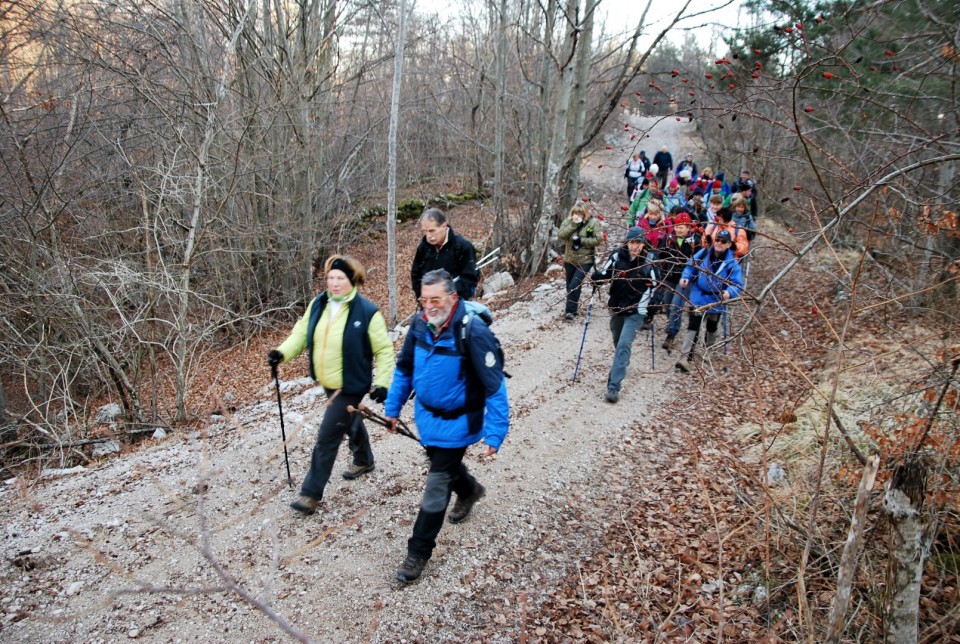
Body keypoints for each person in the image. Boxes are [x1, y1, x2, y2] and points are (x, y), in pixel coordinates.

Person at [384, 269, 509, 584]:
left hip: (460, 423)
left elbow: (495, 388)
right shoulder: (418, 325)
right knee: (443, 466)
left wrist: (496, 432)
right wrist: (393, 407)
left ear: (453, 298)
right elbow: (404, 369)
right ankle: (470, 490)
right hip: (427, 419)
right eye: (424, 300)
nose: (429, 306)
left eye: (436, 299)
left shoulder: (474, 333)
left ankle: (418, 553)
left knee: (437, 482)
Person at [268, 255, 395, 515]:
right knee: (348, 420)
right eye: (331, 278)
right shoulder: (319, 303)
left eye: (341, 278)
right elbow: (302, 333)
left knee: (327, 437)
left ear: (352, 280)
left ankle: (310, 494)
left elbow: (383, 350)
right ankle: (364, 460)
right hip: (328, 380)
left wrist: (383, 382)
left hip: (351, 384)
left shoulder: (367, 312)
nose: (334, 283)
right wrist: (281, 353)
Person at [591, 227, 659, 404]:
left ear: (644, 244)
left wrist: (651, 306)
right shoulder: (617, 256)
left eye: (638, 242)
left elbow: (656, 286)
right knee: (617, 339)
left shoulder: (649, 262)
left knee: (623, 344)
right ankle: (622, 362)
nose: (634, 246)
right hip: (616, 306)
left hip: (636, 311)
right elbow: (606, 273)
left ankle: (613, 386)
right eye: (632, 242)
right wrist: (597, 278)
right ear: (627, 243)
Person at [675, 229, 744, 372]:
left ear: (728, 244)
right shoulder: (705, 253)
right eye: (717, 240)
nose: (719, 243)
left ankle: (708, 349)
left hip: (716, 298)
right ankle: (686, 357)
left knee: (712, 326)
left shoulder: (731, 263)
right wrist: (685, 277)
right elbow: (690, 265)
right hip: (699, 295)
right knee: (693, 325)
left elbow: (737, 284)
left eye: (723, 241)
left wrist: (729, 292)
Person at [411, 208, 479, 301]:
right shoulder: (423, 248)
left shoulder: (463, 247)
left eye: (432, 230)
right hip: (429, 306)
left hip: (457, 304)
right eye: (425, 231)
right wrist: (422, 296)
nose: (428, 236)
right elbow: (415, 275)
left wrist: (448, 295)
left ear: (444, 226)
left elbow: (470, 278)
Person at [658, 212, 700, 351]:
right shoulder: (670, 239)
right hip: (670, 275)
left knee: (676, 305)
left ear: (688, 227)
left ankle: (671, 334)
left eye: (682, 227)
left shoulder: (695, 241)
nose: (678, 229)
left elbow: (698, 261)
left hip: (685, 279)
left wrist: (689, 275)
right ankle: (673, 324)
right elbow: (661, 253)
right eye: (676, 226)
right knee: (667, 303)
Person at [557, 203, 601, 320]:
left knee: (574, 284)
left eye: (580, 213)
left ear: (585, 214)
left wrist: (581, 240)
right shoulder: (568, 221)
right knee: (570, 285)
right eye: (575, 213)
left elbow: (597, 239)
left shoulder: (592, 223)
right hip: (570, 259)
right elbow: (561, 234)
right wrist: (572, 225)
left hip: (585, 259)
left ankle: (569, 311)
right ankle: (573, 309)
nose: (577, 215)